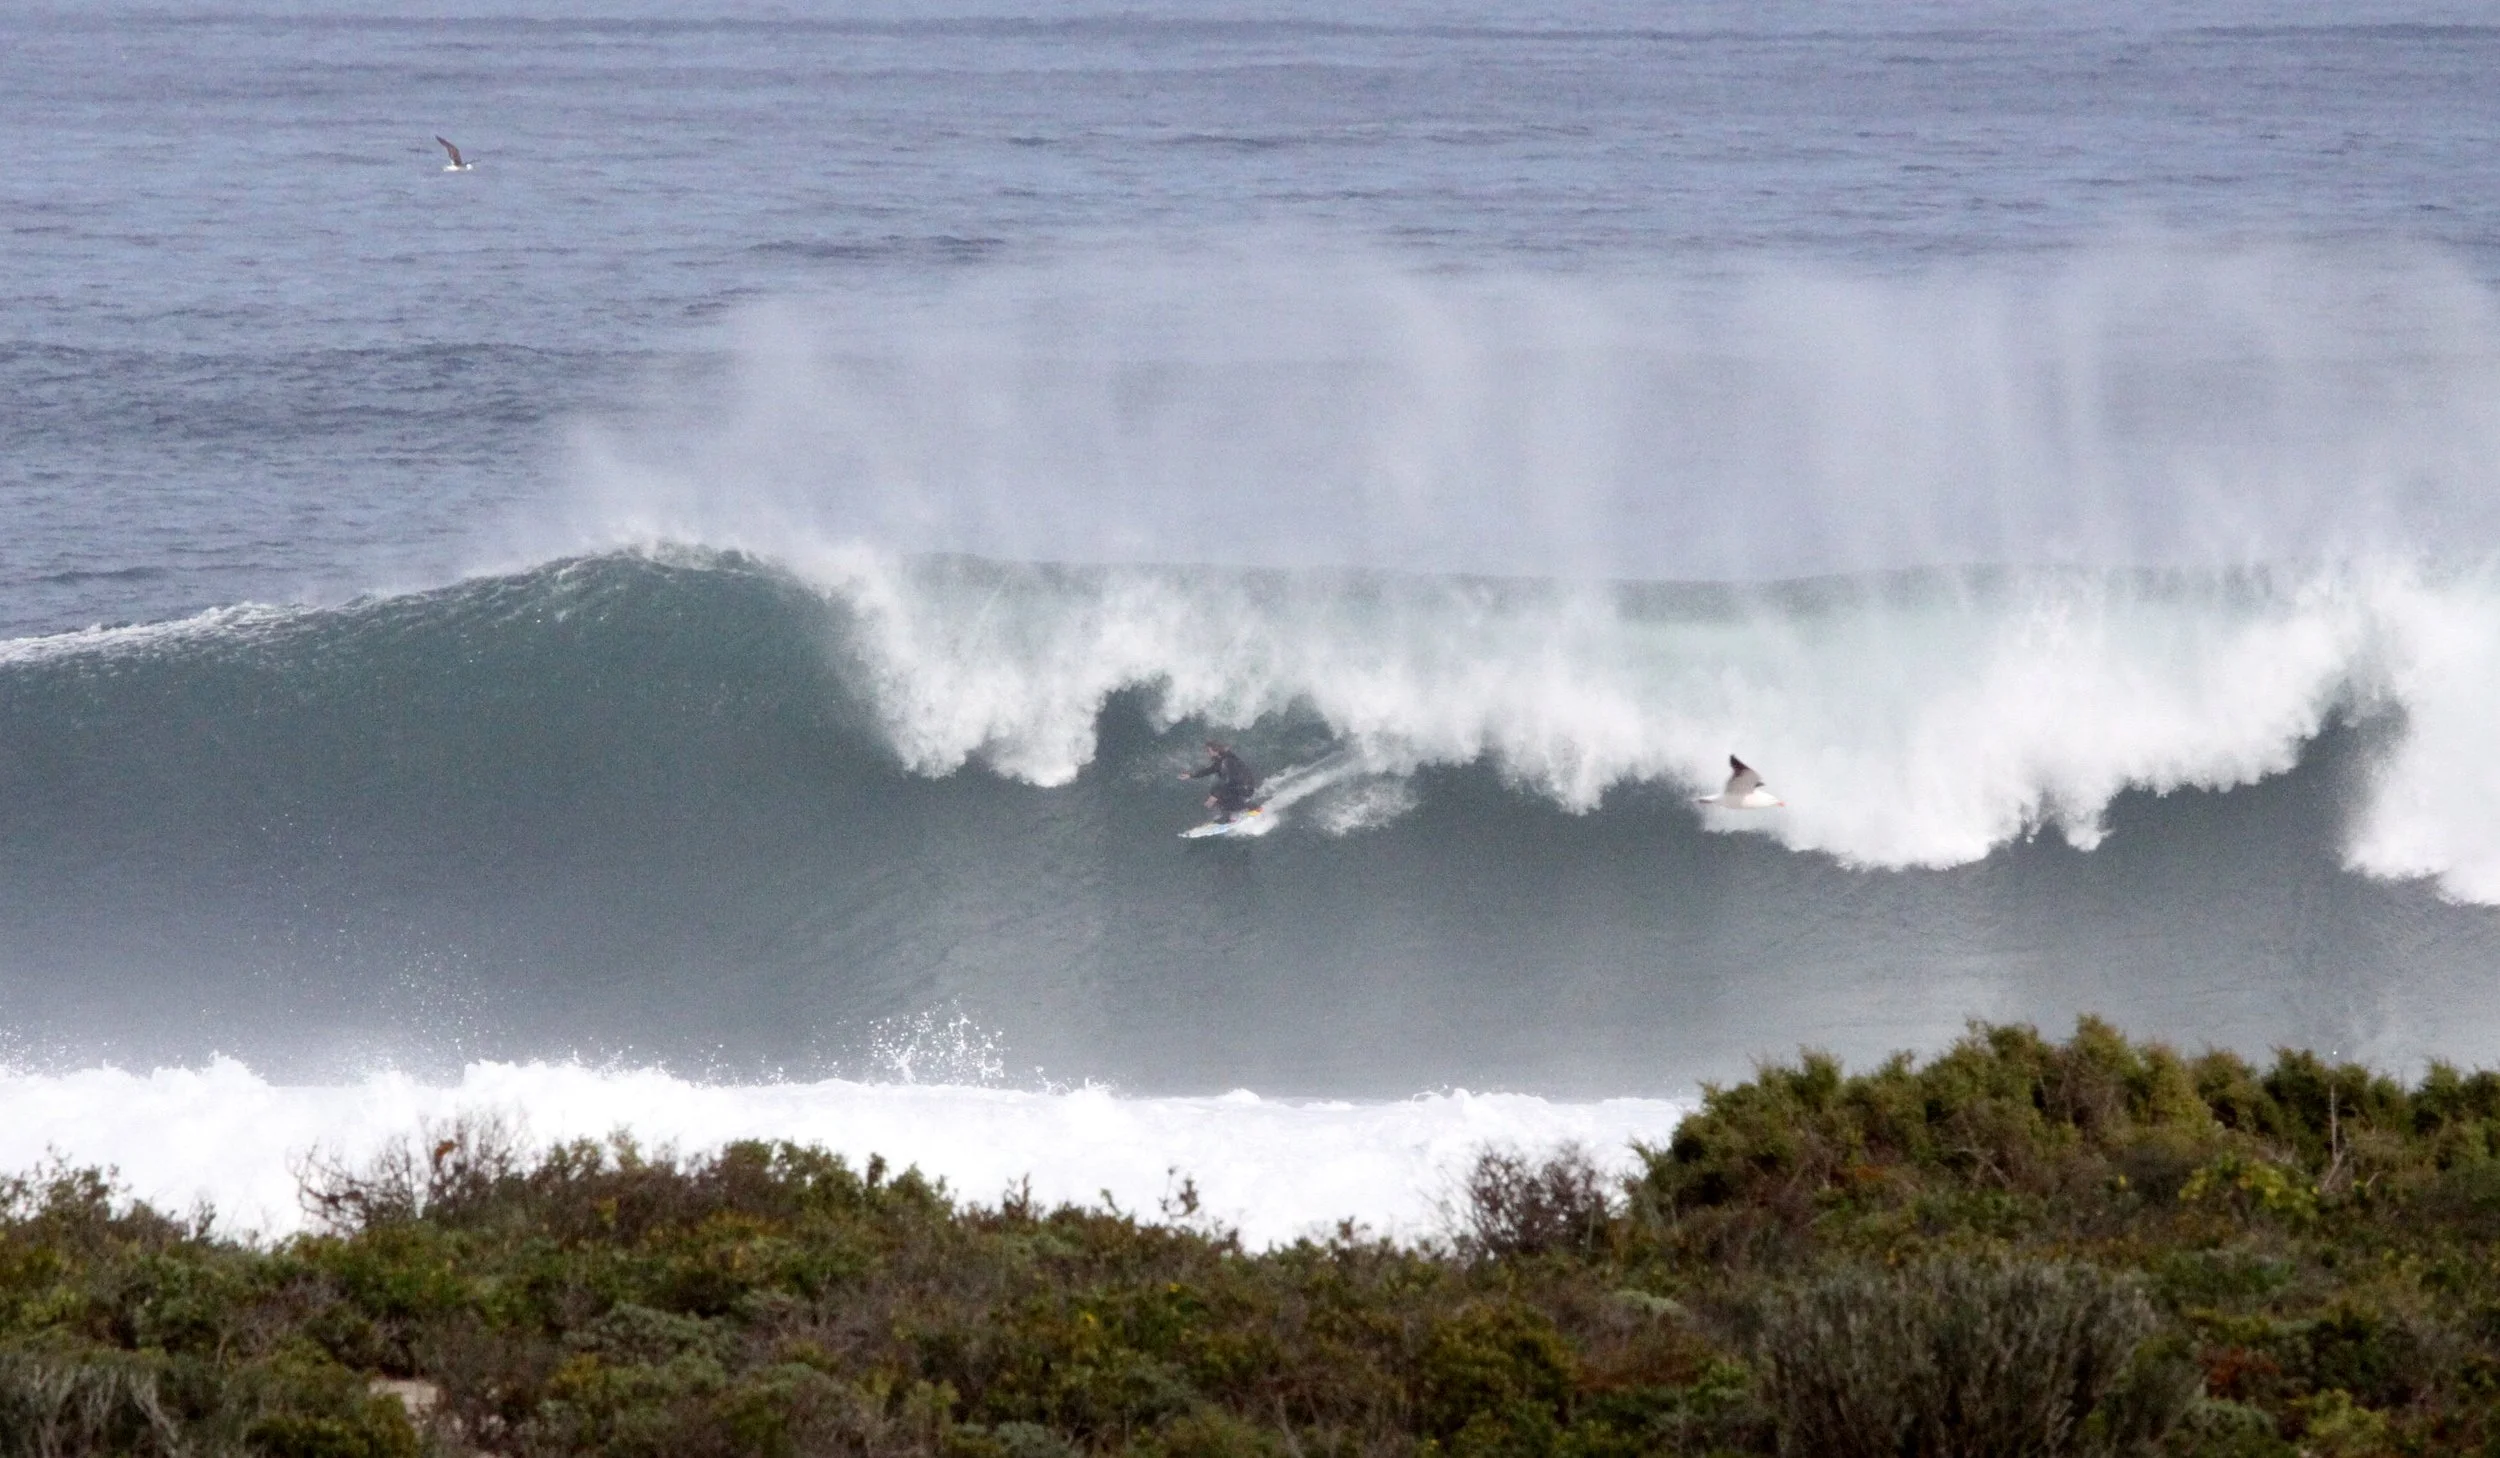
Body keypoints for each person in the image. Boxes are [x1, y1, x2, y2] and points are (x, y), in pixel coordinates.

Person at [1181, 740, 1261, 822]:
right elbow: (1208, 770)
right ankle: (1237, 810)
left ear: (1216, 750)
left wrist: (1215, 796)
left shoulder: (1226, 762)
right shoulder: (1222, 759)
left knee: (1217, 794)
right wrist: (1191, 775)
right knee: (1216, 792)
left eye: (1209, 751)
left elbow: (1230, 781)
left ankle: (1247, 807)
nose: (1208, 753)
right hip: (1242, 786)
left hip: (1244, 788)